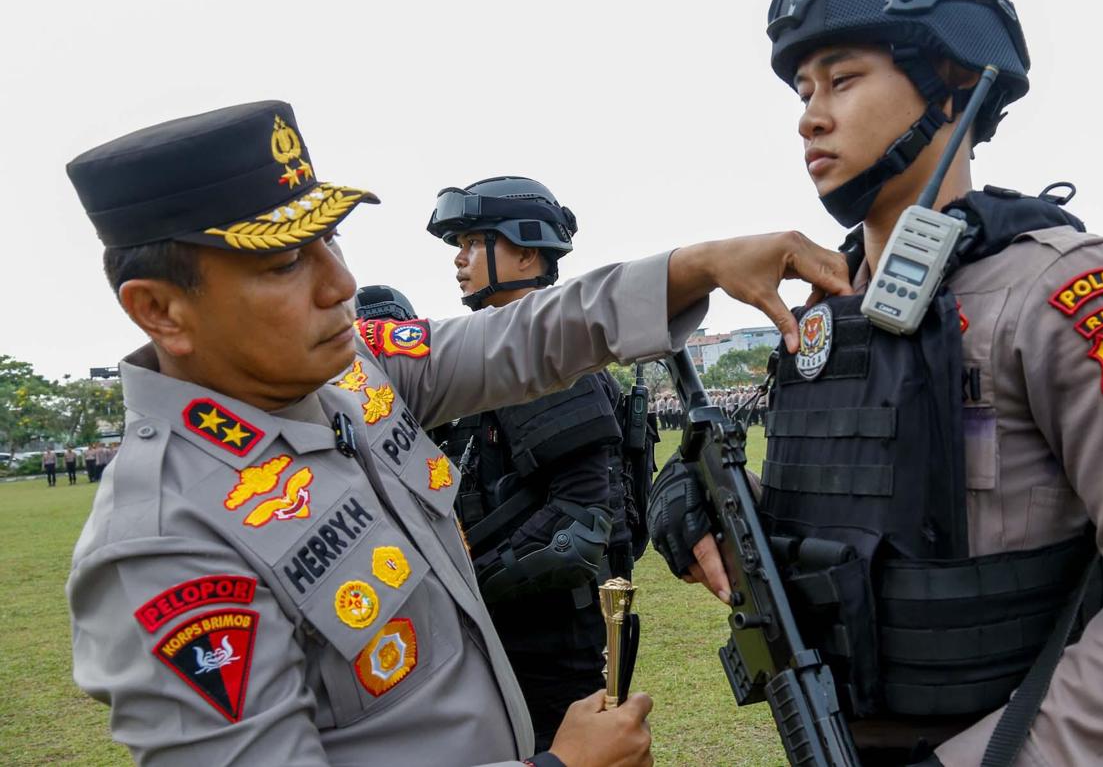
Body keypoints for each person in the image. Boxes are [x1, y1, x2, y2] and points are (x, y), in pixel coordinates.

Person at [63, 100, 850, 767]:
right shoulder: (162, 541)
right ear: (160, 309)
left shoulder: (348, 376)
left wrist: (696, 265)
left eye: (330, 240)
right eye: (282, 264)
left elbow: (524, 335)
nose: (339, 284)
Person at [646, 0, 1103, 767]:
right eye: (803, 87)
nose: (810, 114)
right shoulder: (827, 307)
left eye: (845, 78)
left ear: (957, 80)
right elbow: (859, 530)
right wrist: (696, 500)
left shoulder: (1057, 293)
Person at [425, 176, 640, 750]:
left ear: (524, 251)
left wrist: (461, 585)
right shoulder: (493, 360)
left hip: (546, 643)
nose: (459, 260)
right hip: (506, 635)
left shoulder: (553, 365)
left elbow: (581, 524)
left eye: (473, 243)